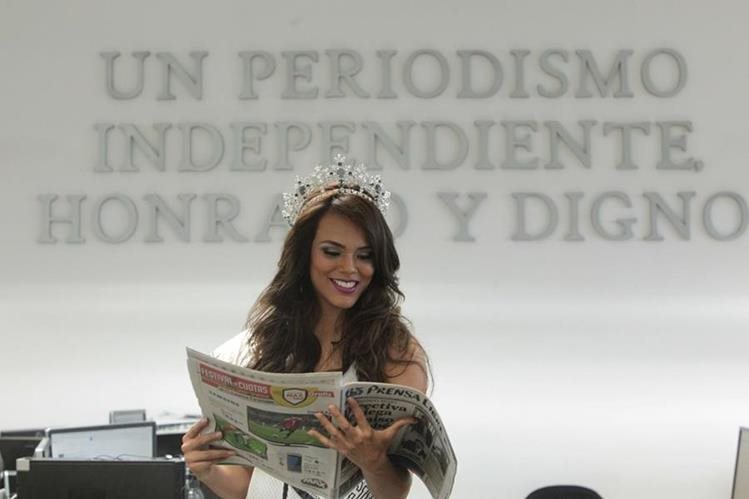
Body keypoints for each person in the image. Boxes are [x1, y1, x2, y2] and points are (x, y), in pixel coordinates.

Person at [181, 154, 429, 499]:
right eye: (332, 252)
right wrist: (206, 469)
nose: (350, 268)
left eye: (365, 255)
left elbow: (394, 493)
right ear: (304, 254)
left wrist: (373, 462)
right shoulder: (251, 347)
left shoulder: (397, 353)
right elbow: (246, 488)